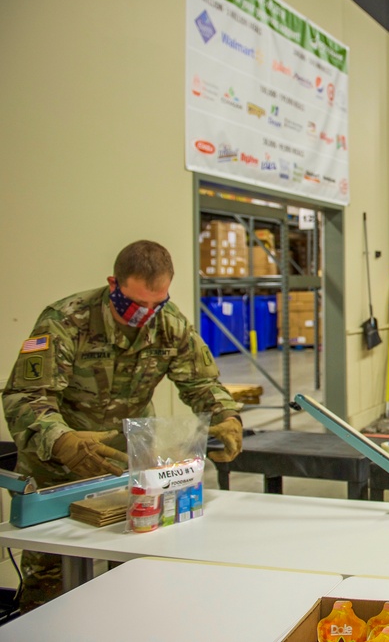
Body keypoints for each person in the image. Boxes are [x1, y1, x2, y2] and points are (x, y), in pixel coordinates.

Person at [2, 240, 244, 611]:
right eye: (134, 304)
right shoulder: (66, 320)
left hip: (129, 461)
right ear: (113, 284)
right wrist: (62, 441)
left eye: (155, 304)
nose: (144, 315)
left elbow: (201, 383)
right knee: (50, 584)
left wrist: (227, 416)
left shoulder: (169, 323)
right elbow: (25, 397)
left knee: (135, 569)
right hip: (60, 464)